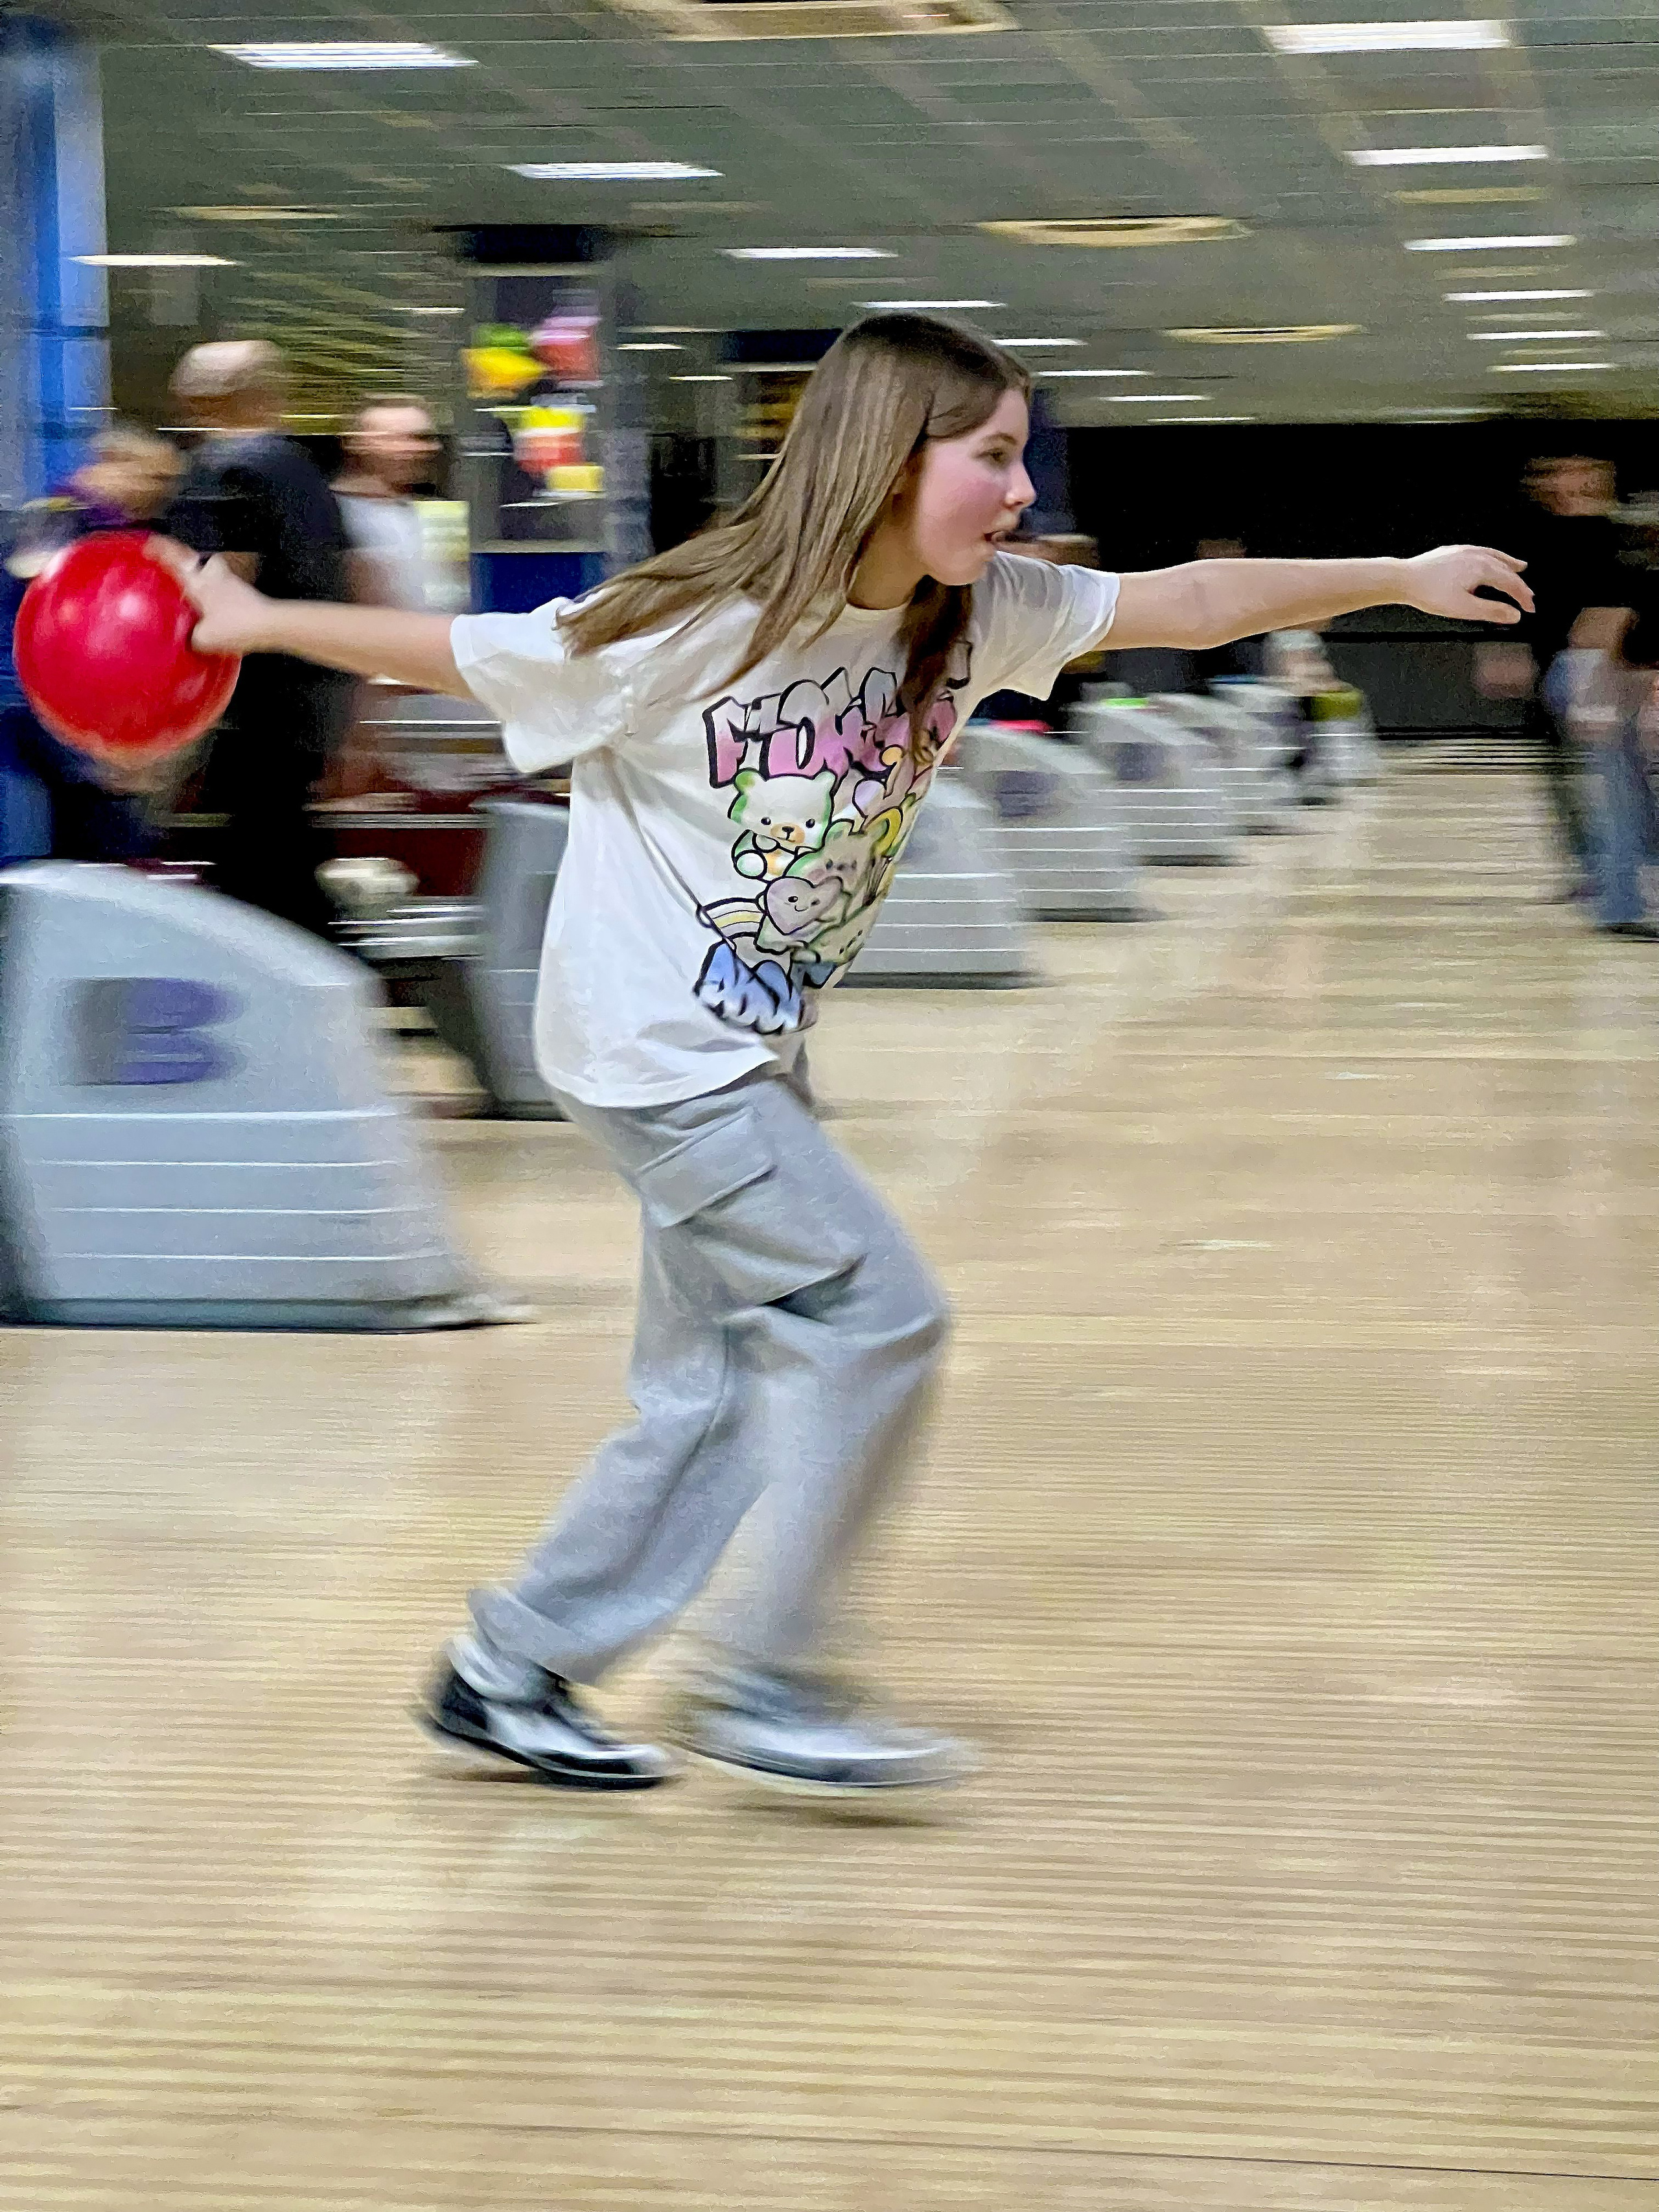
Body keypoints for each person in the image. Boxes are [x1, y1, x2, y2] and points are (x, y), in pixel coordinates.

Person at [167, 313, 1531, 1799]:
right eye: (989, 456)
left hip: (739, 1050)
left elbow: (1190, 602)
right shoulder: (706, 620)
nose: (1020, 489)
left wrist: (1397, 574)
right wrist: (254, 624)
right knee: (874, 1317)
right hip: (656, 1050)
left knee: (720, 1383)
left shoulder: (974, 611)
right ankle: (765, 1679)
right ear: (887, 462)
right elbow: (461, 650)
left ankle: (510, 1667)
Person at [165, 340, 354, 937]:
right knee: (276, 853)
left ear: (207, 399)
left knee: (261, 874)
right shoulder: (307, 473)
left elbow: (225, 583)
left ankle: (328, 968)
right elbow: (350, 577)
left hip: (249, 706)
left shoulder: (222, 469)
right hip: (312, 698)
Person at [0, 424, 182, 866]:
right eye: (153, 476)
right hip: (36, 708)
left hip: (59, 711)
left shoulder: (111, 526)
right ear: (114, 464)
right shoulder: (68, 516)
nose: (161, 491)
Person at [1476, 456, 1624, 901]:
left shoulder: (1615, 534)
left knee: (1608, 778)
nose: (1560, 482)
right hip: (1556, 667)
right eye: (1548, 474)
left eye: (1574, 471)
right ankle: (1593, 871)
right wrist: (1504, 647)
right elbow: (1511, 595)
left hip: (1602, 668)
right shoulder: (1532, 536)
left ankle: (1618, 876)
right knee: (1566, 777)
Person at [332, 395, 443, 611]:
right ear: (357, 444)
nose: (414, 449)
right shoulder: (335, 517)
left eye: (422, 438)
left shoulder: (424, 514)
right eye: (395, 439)